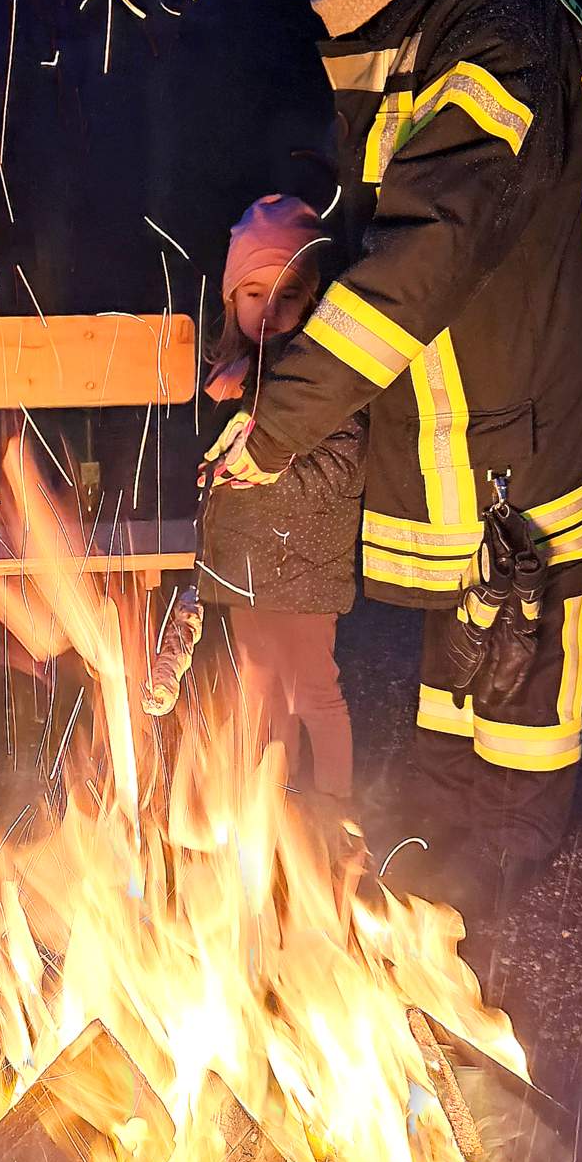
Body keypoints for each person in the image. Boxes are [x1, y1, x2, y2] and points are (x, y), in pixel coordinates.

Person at [205, 0, 582, 923]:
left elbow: (433, 238)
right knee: (466, 612)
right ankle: (447, 806)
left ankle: (512, 833)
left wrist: (280, 418)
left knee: (528, 623)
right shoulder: (389, 26)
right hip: (456, 401)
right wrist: (274, 341)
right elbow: (366, 235)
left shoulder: (501, 17)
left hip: (526, 395)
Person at [199, 195, 365, 817]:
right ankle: (274, 803)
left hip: (306, 568)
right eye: (252, 294)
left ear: (311, 299)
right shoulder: (230, 371)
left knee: (314, 692)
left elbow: (342, 467)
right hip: (245, 570)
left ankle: (335, 808)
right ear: (229, 298)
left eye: (287, 295)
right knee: (260, 691)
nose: (267, 311)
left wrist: (266, 464)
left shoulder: (324, 378)